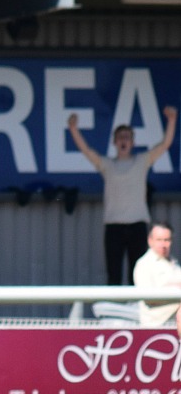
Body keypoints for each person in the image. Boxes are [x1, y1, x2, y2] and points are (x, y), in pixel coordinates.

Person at [68, 105, 178, 285]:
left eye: (127, 137)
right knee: (114, 274)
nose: (123, 141)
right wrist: (73, 129)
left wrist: (172, 120)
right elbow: (87, 151)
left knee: (137, 272)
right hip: (114, 226)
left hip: (137, 225)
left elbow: (164, 145)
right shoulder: (107, 164)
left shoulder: (142, 161)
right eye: (120, 138)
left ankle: (136, 310)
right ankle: (114, 310)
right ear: (114, 142)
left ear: (133, 142)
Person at [132, 222, 180, 326]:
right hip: (156, 327)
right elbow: (148, 298)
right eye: (159, 240)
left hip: (175, 324)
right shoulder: (144, 264)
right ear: (150, 241)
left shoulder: (174, 263)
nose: (163, 244)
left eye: (166, 240)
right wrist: (174, 289)